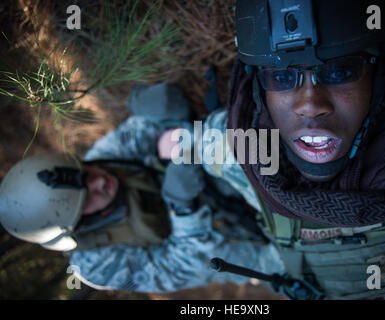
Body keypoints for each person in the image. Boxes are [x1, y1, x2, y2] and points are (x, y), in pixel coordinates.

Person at [193, 0, 385, 299]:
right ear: (260, 93)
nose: (311, 105)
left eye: (339, 72)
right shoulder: (239, 149)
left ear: (382, 75)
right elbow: (182, 144)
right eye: (282, 77)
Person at [0, 82, 285, 293]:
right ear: (76, 226)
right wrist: (182, 207)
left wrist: (166, 123)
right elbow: (189, 266)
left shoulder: (106, 157)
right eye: (86, 196)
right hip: (247, 247)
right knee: (293, 264)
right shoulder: (97, 266)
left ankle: (300, 161)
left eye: (85, 173)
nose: (99, 180)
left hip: (225, 191)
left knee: (215, 136)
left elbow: (150, 130)